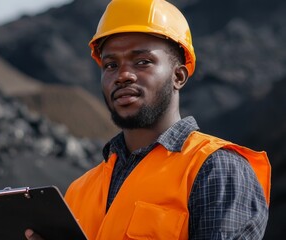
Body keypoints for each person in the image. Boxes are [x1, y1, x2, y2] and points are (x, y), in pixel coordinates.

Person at [25, 0, 271, 239]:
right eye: (111, 65)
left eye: (142, 62)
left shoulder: (215, 169)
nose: (123, 75)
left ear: (179, 76)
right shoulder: (80, 191)